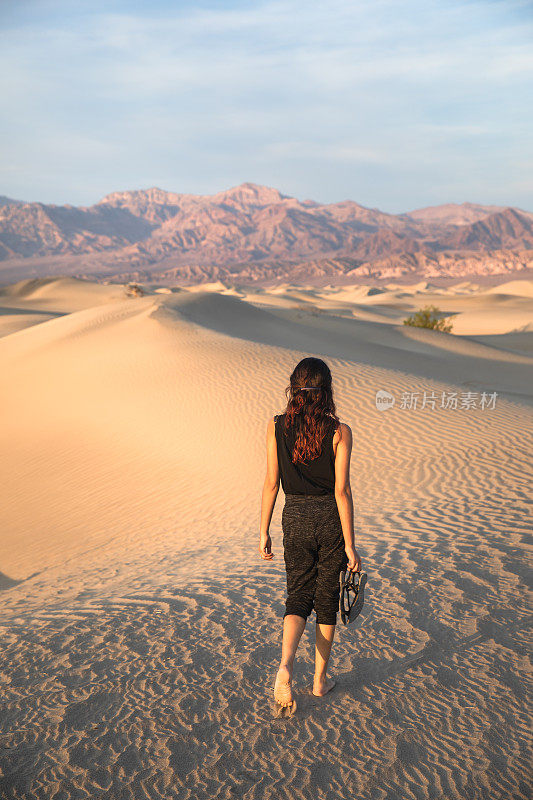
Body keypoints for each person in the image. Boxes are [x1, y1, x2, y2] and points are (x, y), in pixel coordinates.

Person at [259, 357, 362, 712]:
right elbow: (342, 491)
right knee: (326, 598)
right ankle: (319, 681)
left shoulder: (275, 426)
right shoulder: (339, 431)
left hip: (294, 517)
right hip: (329, 520)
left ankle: (285, 666)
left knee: (297, 595)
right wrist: (350, 544)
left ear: (294, 387)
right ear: (327, 390)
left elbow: (271, 483)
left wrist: (263, 531)